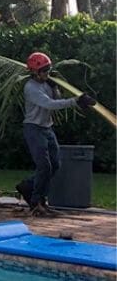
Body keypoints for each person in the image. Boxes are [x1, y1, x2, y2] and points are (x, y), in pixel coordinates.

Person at [15, 52, 96, 217]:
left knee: (55, 164)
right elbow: (50, 105)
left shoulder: (46, 83)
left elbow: (56, 98)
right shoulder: (30, 88)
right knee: (44, 166)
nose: (47, 73)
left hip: (47, 128)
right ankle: (37, 202)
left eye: (48, 70)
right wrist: (76, 101)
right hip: (34, 129)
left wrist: (54, 87)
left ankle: (27, 186)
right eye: (44, 71)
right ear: (34, 72)